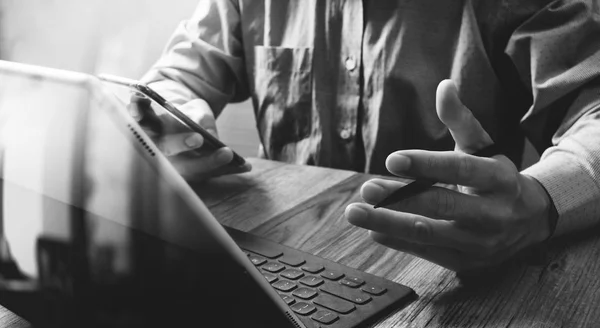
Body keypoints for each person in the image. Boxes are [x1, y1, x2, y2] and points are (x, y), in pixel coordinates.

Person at [139, 0, 600, 273]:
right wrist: (172, 114)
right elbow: (174, 80)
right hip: (268, 262)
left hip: (445, 275)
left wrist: (541, 200)